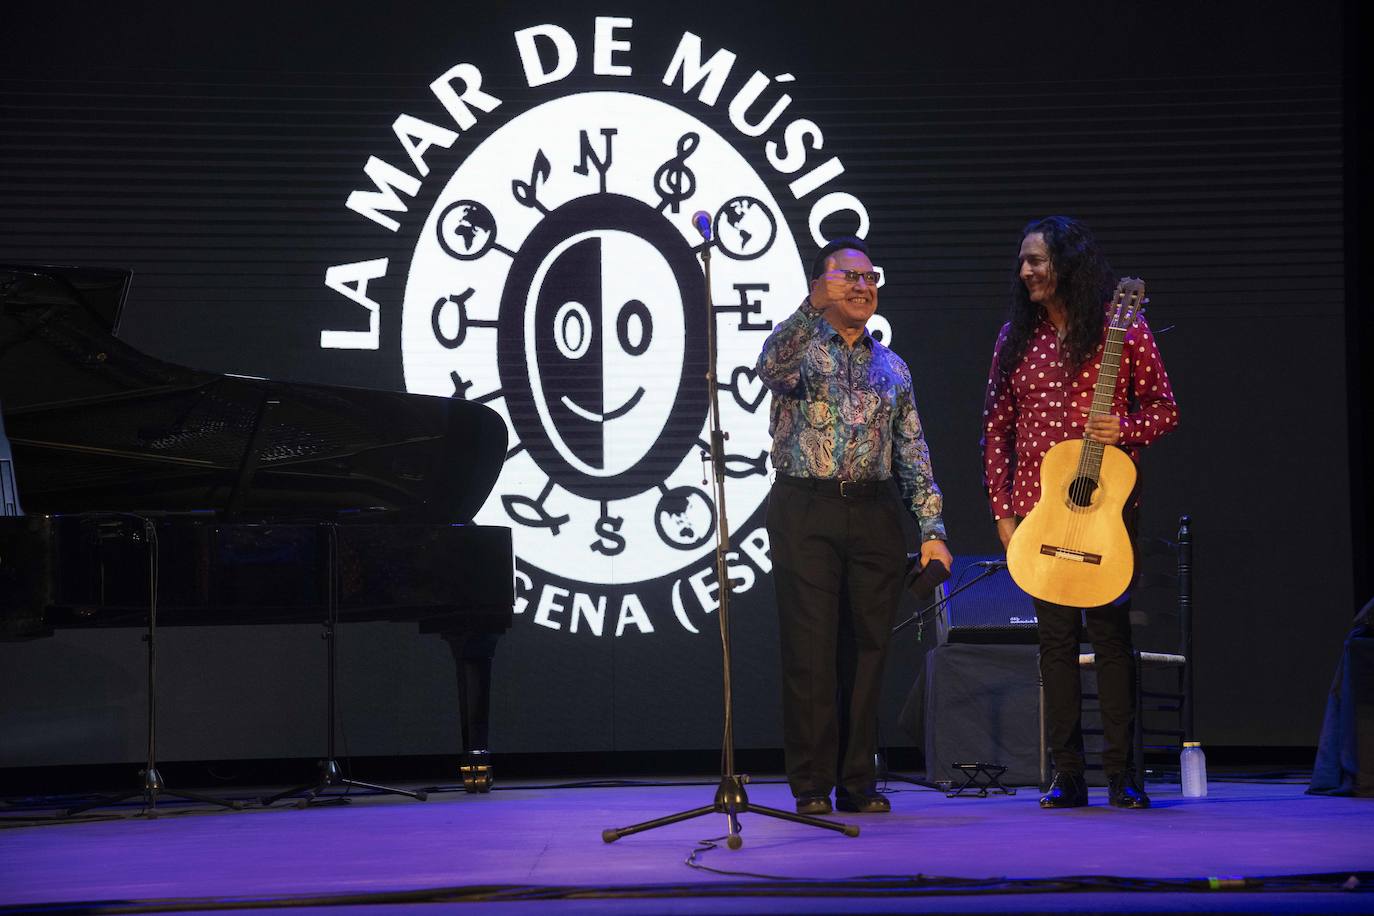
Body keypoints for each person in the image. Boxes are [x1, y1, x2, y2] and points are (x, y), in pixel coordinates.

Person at [981, 215, 1179, 809]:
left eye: (1036, 261)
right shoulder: (1015, 337)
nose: (1025, 272)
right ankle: (1067, 773)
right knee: (1055, 644)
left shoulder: (1123, 329)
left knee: (1112, 639)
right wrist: (1002, 510)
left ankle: (1122, 774)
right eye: (1022, 262)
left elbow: (1165, 409)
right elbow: (997, 427)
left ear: (1067, 264)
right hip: (1040, 513)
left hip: (1107, 511)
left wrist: (1125, 427)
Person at [757, 236, 952, 815]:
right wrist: (808, 309)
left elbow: (913, 451)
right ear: (822, 285)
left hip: (874, 512)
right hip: (806, 508)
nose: (863, 286)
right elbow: (768, 367)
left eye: (871, 277)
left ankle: (858, 779)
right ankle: (812, 783)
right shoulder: (801, 349)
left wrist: (931, 527)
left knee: (868, 650)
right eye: (850, 277)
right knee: (811, 649)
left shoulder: (892, 365)